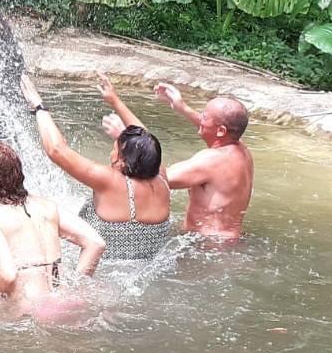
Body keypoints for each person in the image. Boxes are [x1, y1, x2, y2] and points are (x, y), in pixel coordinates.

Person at [21, 73, 171, 260]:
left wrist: (39, 107)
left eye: (114, 149)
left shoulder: (110, 182)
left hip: (106, 271)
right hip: (146, 267)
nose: (111, 153)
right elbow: (147, 143)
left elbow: (57, 151)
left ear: (122, 161)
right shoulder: (161, 176)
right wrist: (115, 101)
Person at [100, 77, 254, 240]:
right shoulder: (242, 151)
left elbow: (154, 174)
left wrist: (126, 137)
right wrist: (182, 108)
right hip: (228, 240)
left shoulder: (210, 161)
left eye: (205, 116)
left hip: (204, 245)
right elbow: (220, 130)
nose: (200, 118)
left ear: (221, 131)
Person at [0, 139, 105, 311]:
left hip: (28, 312)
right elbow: (96, 243)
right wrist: (76, 291)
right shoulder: (46, 206)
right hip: (63, 305)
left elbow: (7, 274)